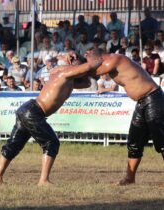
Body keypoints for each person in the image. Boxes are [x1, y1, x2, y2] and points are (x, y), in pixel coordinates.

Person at [53, 48, 164, 186]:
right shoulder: (106, 63)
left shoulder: (115, 59)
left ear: (97, 56)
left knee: (162, 142)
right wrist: (73, 58)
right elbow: (86, 71)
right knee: (134, 143)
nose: (87, 59)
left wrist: (72, 62)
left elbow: (88, 70)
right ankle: (130, 178)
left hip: (154, 99)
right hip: (142, 103)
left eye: (88, 56)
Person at [0, 57, 100, 186]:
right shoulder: (63, 72)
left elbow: (87, 83)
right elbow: (89, 66)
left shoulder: (70, 81)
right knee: (51, 143)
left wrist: (84, 71)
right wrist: (99, 58)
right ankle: (43, 180)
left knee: (14, 145)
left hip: (29, 110)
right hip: (33, 111)